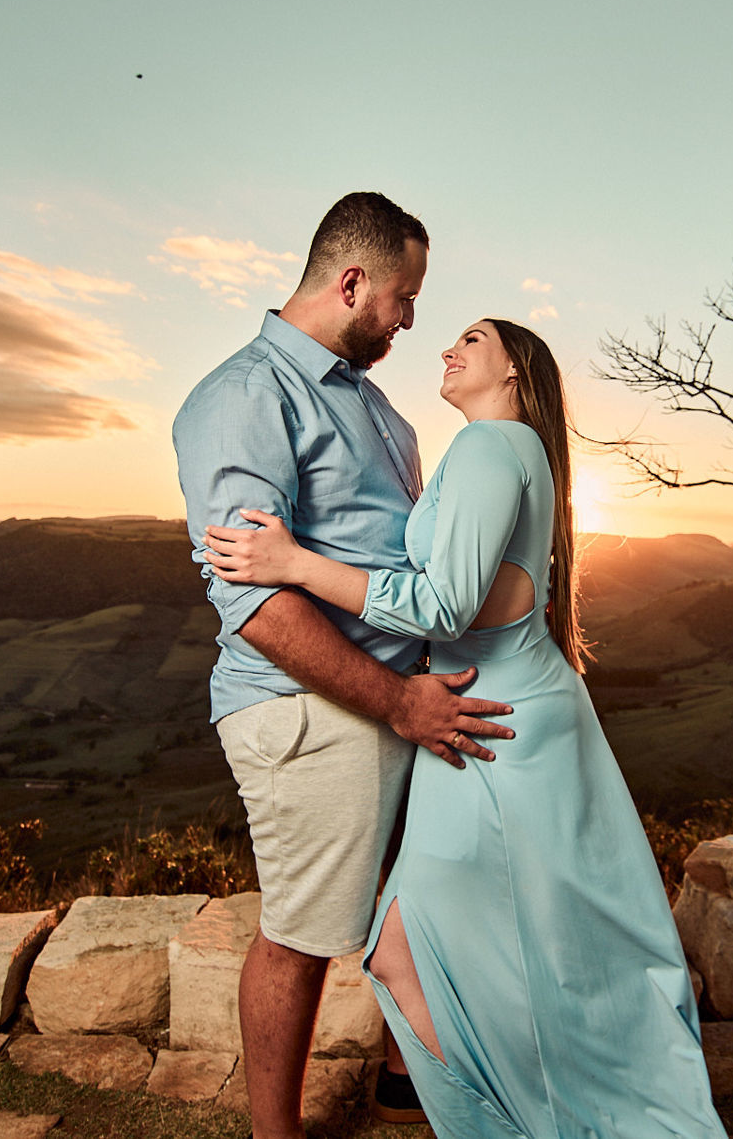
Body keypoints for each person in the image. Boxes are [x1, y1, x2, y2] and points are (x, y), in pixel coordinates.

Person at [204, 317, 727, 1138]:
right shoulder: (511, 449)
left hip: (490, 724)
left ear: (515, 372)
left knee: (408, 946)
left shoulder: (491, 446)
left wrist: (294, 563)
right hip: (490, 714)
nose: (447, 348)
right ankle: (501, 1104)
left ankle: (516, 1116)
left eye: (472, 341)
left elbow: (445, 605)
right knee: (483, 941)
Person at [172, 192, 515, 1139]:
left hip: (402, 699)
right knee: (304, 934)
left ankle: (406, 1082)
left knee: (416, 900)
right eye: (405, 299)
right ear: (354, 282)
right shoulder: (245, 397)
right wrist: (396, 700)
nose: (411, 321)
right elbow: (255, 603)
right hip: (313, 706)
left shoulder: (373, 405)